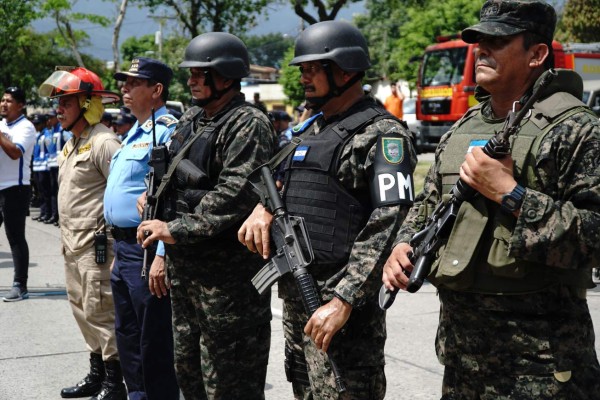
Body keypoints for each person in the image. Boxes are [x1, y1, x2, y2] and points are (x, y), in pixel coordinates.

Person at [382, 1, 600, 398]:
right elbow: (427, 204)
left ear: (536, 54)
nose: (481, 49)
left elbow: (596, 236)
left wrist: (511, 194)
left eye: (497, 41)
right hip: (462, 361)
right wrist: (403, 243)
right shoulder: (463, 128)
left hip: (542, 368)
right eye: (479, 40)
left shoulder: (577, 130)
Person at [238, 20, 417, 399]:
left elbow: (390, 223)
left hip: (343, 313)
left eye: (311, 69)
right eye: (302, 69)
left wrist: (344, 299)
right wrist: (263, 207)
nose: (303, 78)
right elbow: (282, 184)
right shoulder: (310, 131)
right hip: (298, 301)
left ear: (345, 71)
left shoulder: (382, 135)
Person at [135, 32, 275, 399]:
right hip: (187, 277)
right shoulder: (194, 118)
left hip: (227, 286)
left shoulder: (247, 124)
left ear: (227, 76)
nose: (192, 80)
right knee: (190, 378)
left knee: (229, 386)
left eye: (201, 73)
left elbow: (235, 194)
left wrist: (173, 227)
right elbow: (172, 171)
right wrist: (153, 198)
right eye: (191, 73)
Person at [38, 67, 127, 400]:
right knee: (82, 309)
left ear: (88, 104)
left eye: (65, 103)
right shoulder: (73, 142)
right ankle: (97, 372)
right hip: (72, 246)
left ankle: (114, 382)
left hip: (97, 247)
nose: (57, 110)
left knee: (102, 311)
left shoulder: (104, 142)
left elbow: (124, 194)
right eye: (58, 103)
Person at [106, 56, 180, 400]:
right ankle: (137, 393)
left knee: (153, 336)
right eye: (125, 82)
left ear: (156, 90)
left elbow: (174, 198)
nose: (125, 88)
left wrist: (162, 254)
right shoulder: (133, 132)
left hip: (148, 248)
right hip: (123, 248)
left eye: (133, 83)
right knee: (127, 331)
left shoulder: (167, 131)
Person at [0, 86, 36, 302]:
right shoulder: (2, 124)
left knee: (15, 237)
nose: (4, 104)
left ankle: (20, 285)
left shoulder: (26, 127)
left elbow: (15, 153)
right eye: (3, 100)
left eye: (9, 101)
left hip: (16, 187)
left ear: (21, 105)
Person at [30, 113, 52, 223]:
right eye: (35, 124)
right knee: (40, 192)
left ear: (43, 123)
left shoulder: (46, 135)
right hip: (37, 167)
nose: (36, 126)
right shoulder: (38, 135)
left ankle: (48, 213)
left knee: (46, 192)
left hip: (44, 167)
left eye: (38, 123)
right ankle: (43, 213)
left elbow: (50, 150)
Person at [45, 109, 64, 226]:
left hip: (59, 165)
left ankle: (59, 217)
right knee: (52, 191)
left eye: (52, 117)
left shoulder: (62, 130)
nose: (49, 120)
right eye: (49, 118)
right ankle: (54, 215)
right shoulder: (51, 131)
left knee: (59, 192)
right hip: (51, 164)